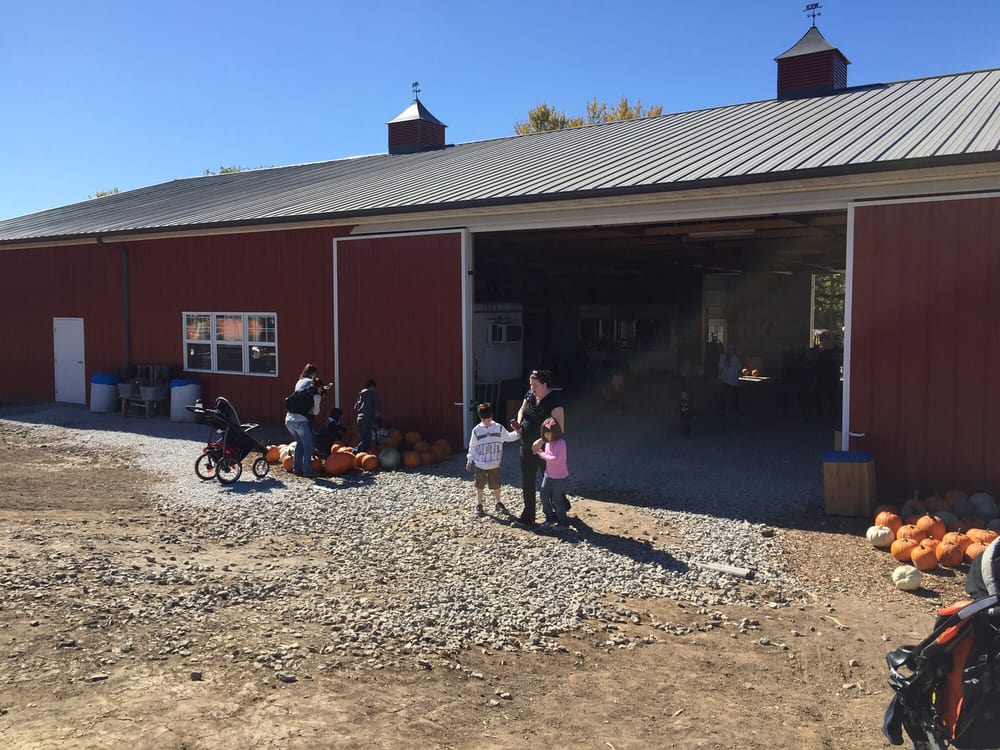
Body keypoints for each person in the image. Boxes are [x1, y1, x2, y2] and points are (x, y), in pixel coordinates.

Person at [512, 369, 566, 528]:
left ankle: (560, 509)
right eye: (530, 384)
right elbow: (522, 409)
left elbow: (560, 428)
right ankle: (528, 516)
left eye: (535, 385)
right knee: (527, 481)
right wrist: (519, 423)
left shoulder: (554, 402)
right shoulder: (529, 395)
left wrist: (542, 441)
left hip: (546, 450)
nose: (532, 388)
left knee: (548, 481)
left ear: (545, 385)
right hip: (526, 446)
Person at [465, 403, 521, 517]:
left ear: (492, 416)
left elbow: (508, 437)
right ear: (480, 418)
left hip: (494, 464)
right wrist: (469, 460)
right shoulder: (476, 430)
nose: (487, 421)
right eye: (484, 419)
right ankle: (479, 504)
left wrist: (518, 433)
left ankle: (498, 502)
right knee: (479, 485)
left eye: (489, 419)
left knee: (496, 484)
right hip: (480, 464)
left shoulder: (498, 428)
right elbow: (472, 446)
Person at [285, 363, 323, 477]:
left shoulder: (299, 382)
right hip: (301, 419)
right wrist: (319, 397)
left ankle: (296, 468)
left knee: (300, 443)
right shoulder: (311, 384)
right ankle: (307, 471)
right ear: (314, 374)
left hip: (289, 418)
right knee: (308, 446)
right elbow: (315, 411)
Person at [532, 417, 570, 530]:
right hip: (548, 475)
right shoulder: (548, 443)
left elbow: (555, 459)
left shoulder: (561, 443)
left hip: (560, 477)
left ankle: (563, 523)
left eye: (549, 433)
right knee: (543, 495)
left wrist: (540, 453)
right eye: (545, 433)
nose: (547, 435)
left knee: (556, 500)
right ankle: (549, 518)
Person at [353, 379, 381, 454]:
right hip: (367, 418)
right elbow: (377, 408)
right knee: (366, 440)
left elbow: (355, 407)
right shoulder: (372, 394)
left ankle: (365, 453)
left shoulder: (360, 394)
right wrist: (377, 417)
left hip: (359, 418)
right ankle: (354, 452)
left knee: (363, 438)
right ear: (372, 387)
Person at [718, 344, 743, 412]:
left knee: (735, 395)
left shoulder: (737, 359)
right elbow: (721, 368)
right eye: (729, 350)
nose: (731, 351)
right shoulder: (723, 358)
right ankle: (722, 409)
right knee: (722, 394)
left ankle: (736, 408)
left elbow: (740, 369)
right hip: (725, 379)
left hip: (734, 380)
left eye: (732, 350)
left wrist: (739, 376)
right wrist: (720, 377)